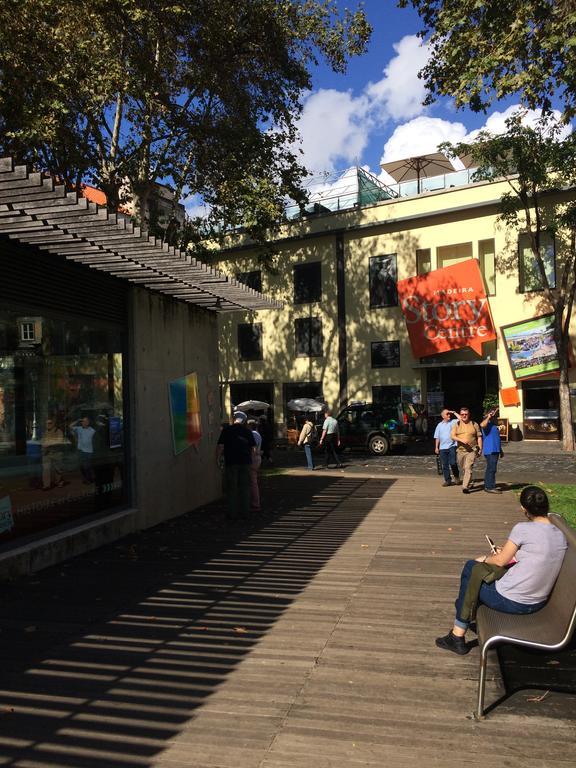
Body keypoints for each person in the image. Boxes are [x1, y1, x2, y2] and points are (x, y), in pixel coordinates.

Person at [436, 486, 567, 655]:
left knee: (471, 569)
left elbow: (500, 561)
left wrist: (484, 559)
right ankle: (464, 608)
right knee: (474, 583)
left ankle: (457, 636)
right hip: (537, 602)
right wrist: (507, 554)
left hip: (513, 601)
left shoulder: (523, 529)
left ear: (523, 509)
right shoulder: (560, 535)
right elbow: (536, 556)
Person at [216, 411, 256, 519]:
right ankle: (245, 512)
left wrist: (218, 458)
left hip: (231, 462)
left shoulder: (227, 430)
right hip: (245, 462)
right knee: (245, 487)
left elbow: (220, 446)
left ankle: (232, 512)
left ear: (234, 419)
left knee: (231, 487)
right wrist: (251, 461)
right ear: (244, 421)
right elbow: (253, 448)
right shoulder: (248, 432)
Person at [450, 407, 482, 494]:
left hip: (472, 450)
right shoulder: (457, 424)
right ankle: (470, 481)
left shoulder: (474, 424)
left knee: (468, 467)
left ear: (469, 414)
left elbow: (479, 437)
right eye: (462, 414)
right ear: (460, 415)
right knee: (464, 467)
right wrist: (461, 440)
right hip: (460, 451)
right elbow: (452, 436)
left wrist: (480, 448)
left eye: (466, 414)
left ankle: (465, 487)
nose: (464, 416)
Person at [433, 408, 461, 487]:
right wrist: (436, 447)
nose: (449, 415)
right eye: (447, 414)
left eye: (449, 414)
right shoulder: (439, 425)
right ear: (443, 416)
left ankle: (456, 477)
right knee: (444, 465)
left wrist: (454, 412)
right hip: (442, 448)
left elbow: (461, 419)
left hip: (452, 446)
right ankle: (448, 480)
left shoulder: (453, 422)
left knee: (453, 463)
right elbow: (437, 437)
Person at [481, 408, 502, 494]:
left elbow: (496, 439)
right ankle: (489, 487)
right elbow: (482, 425)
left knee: (491, 468)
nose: (496, 416)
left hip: (495, 450)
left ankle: (488, 485)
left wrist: (501, 450)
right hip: (490, 450)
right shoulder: (487, 424)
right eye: (495, 414)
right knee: (491, 469)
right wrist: (489, 416)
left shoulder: (494, 425)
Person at [40, 417, 65, 490]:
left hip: (56, 453)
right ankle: (46, 485)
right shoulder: (45, 432)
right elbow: (42, 442)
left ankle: (59, 482)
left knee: (58, 469)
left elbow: (60, 440)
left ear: (53, 424)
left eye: (50, 423)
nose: (48, 424)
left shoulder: (58, 431)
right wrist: (43, 448)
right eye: (47, 423)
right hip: (46, 453)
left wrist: (49, 444)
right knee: (46, 469)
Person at [69, 416, 96, 484]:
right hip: (81, 450)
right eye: (82, 421)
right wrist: (77, 420)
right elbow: (70, 426)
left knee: (87, 466)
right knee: (82, 466)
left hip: (89, 451)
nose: (83, 422)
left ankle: (88, 479)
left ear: (88, 422)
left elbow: (95, 438)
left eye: (85, 421)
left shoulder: (92, 430)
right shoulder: (79, 428)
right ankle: (88, 478)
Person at [247, 418, 262, 511]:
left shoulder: (253, 434)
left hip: (253, 458)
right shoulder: (257, 434)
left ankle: (255, 503)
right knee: (253, 481)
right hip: (256, 458)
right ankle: (254, 502)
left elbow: (254, 449)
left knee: (252, 482)